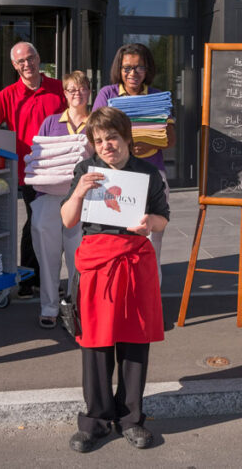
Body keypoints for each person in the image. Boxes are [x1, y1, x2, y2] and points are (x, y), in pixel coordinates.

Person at [60, 107, 169, 453]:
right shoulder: (84, 171)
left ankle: (131, 420)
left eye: (112, 138)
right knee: (95, 344)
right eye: (99, 140)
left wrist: (149, 223)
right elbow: (67, 221)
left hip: (135, 263)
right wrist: (78, 192)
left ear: (126, 138)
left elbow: (163, 219)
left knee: (135, 343)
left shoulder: (148, 173)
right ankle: (95, 420)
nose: (106, 145)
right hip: (96, 265)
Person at [0, 41, 66, 297]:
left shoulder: (59, 89)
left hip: (61, 168)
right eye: (21, 61)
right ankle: (30, 278)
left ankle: (42, 276)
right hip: (30, 172)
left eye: (31, 58)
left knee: (56, 224)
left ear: (39, 58)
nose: (28, 64)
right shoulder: (9, 94)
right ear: (15, 65)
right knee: (37, 223)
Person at [93, 43, 175, 285]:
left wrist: (150, 145)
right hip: (116, 177)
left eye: (139, 67)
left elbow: (171, 139)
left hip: (152, 175)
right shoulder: (108, 94)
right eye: (127, 68)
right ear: (119, 69)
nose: (133, 73)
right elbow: (96, 133)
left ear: (147, 68)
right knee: (116, 238)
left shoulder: (158, 96)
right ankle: (121, 293)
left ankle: (151, 298)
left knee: (152, 240)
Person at [29, 71, 92, 329]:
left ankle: (78, 307)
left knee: (80, 258)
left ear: (90, 91)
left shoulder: (98, 122)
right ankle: (49, 307)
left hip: (84, 199)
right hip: (49, 197)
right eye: (71, 89)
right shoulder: (50, 122)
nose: (77, 93)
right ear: (64, 94)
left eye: (82, 88)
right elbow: (40, 159)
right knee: (47, 256)